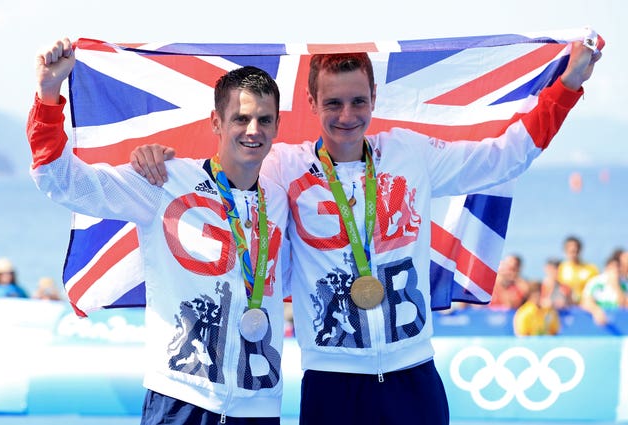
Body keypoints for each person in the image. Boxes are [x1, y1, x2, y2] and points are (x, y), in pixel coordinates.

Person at [132, 41, 601, 425]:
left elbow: (504, 156)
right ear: (312, 103)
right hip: (331, 383)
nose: (346, 115)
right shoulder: (282, 167)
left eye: (358, 101)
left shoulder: (410, 155)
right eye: (333, 103)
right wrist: (157, 157)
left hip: (412, 374)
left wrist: (569, 84)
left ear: (374, 100)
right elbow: (227, 166)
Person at [27, 38, 289, 425]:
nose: (253, 130)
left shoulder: (281, 198)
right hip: (181, 398)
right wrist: (48, 95)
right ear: (216, 122)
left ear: (277, 125)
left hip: (259, 404)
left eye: (264, 119)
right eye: (241, 118)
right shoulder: (163, 181)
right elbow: (63, 182)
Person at [580, 256, 628, 326]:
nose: (615, 270)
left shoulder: (624, 284)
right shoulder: (596, 282)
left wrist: (616, 287)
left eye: (618, 267)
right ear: (606, 268)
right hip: (598, 325)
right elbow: (585, 301)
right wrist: (596, 311)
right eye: (612, 267)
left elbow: (625, 305)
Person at [557, 235, 599, 303]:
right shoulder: (561, 268)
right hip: (568, 303)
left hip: (587, 303)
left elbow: (597, 288)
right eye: (570, 251)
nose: (573, 254)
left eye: (575, 251)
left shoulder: (591, 269)